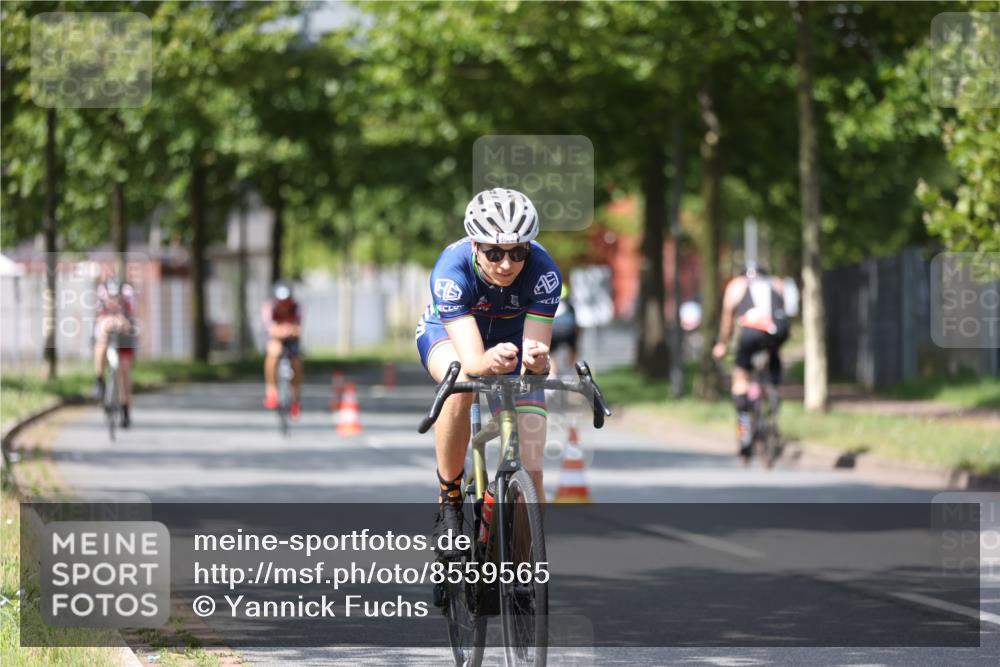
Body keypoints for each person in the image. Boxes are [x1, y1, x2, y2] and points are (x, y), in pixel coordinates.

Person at [416, 187, 560, 557]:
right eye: (494, 253)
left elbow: (535, 361)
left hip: (510, 338)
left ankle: (525, 570)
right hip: (452, 334)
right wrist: (487, 361)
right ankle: (449, 499)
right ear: (475, 246)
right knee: (461, 381)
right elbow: (474, 362)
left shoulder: (545, 273)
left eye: (517, 253)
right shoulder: (451, 271)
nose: (507, 264)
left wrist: (539, 362)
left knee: (533, 468)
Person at [712, 261, 790, 457]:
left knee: (740, 381)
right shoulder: (777, 283)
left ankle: (743, 430)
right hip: (777, 334)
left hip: (750, 336)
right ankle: (772, 394)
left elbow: (727, 319)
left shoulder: (737, 285)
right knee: (772, 365)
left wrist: (722, 344)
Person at [93, 277, 138, 428]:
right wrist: (107, 323)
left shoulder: (128, 298)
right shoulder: (102, 297)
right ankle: (99, 380)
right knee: (101, 344)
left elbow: (131, 322)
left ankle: (126, 410)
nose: (114, 300)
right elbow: (99, 319)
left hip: (124, 335)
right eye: (111, 298)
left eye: (116, 297)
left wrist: (124, 323)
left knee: (124, 371)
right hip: (107, 332)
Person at [262, 281, 303, 418]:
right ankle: (272, 391)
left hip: (291, 339)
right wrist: (282, 331)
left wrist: (291, 331)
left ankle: (295, 399)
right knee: (273, 353)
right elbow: (271, 329)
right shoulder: (269, 308)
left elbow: (298, 328)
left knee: (296, 363)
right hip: (276, 338)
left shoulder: (297, 307)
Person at [548, 283, 579, 376]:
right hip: (568, 331)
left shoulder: (548, 304)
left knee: (550, 352)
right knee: (573, 349)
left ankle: (552, 374)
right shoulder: (570, 306)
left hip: (553, 331)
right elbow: (575, 321)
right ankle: (571, 371)